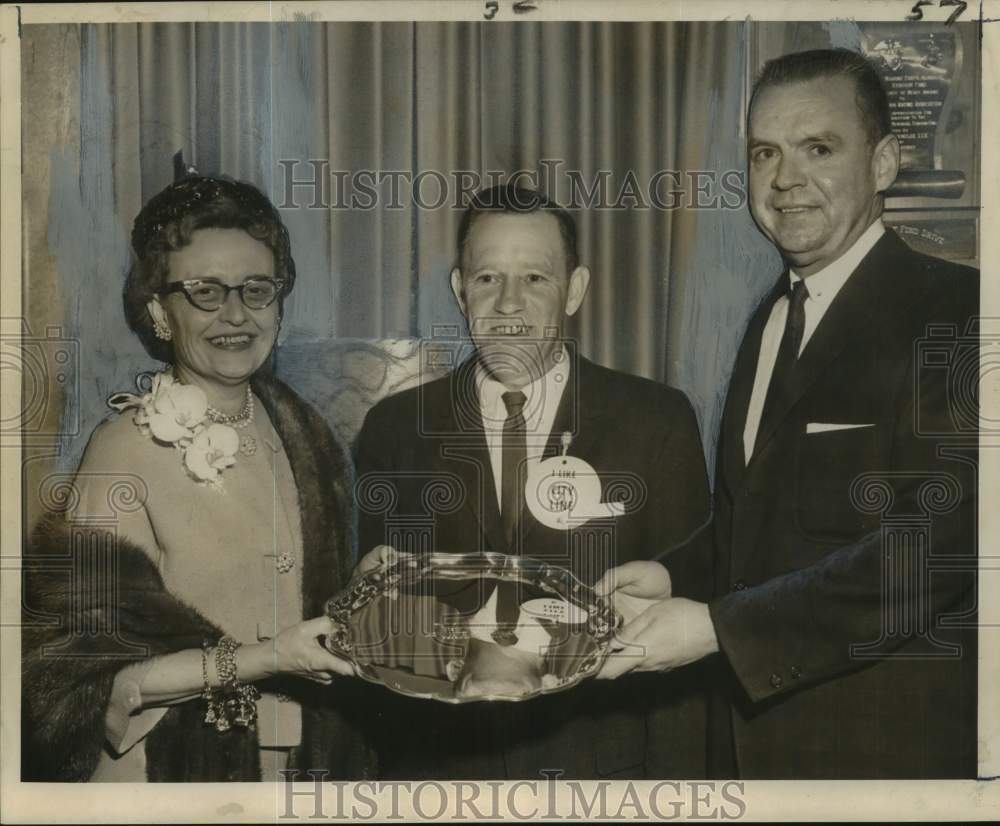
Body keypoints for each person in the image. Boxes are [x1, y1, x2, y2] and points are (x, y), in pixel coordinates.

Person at [597, 48, 978, 779]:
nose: (786, 180)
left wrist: (716, 627)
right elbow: (760, 520)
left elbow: (935, 551)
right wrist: (672, 576)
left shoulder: (958, 314)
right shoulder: (772, 315)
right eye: (765, 152)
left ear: (886, 163)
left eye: (819, 149)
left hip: (883, 757)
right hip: (752, 754)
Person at [22, 172, 373, 782]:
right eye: (204, 292)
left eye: (256, 289)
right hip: (172, 774)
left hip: (308, 765)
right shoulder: (123, 449)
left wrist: (369, 586)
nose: (235, 315)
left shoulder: (303, 427)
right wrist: (265, 659)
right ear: (160, 309)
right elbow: (73, 680)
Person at [354, 183, 711, 779]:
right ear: (459, 289)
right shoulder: (394, 428)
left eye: (536, 279)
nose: (508, 304)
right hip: (436, 766)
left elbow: (696, 596)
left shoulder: (656, 420)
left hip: (600, 767)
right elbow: (375, 616)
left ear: (574, 290)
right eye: (488, 277)